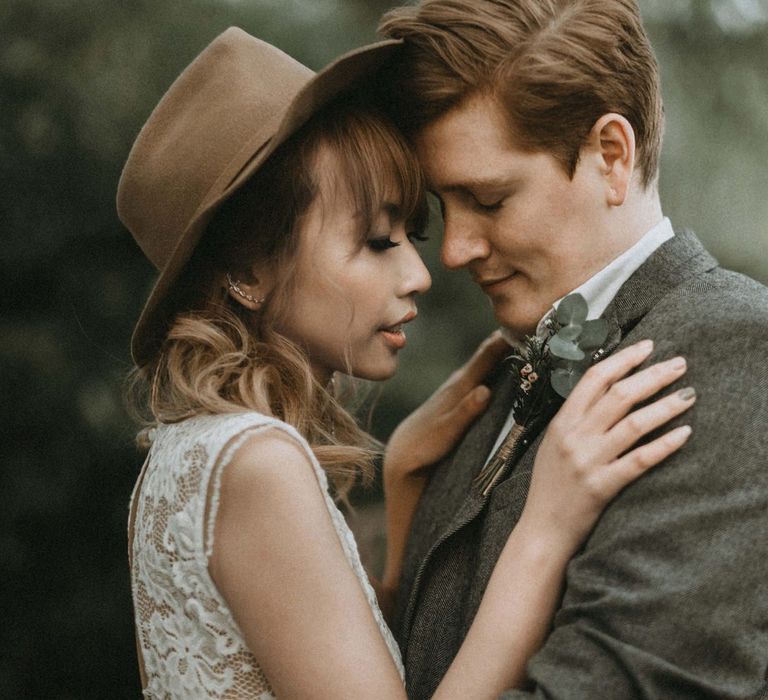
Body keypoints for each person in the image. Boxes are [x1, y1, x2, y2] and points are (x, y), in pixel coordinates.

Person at [120, 28, 695, 699]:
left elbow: (328, 663)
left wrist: (399, 494)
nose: (423, 273)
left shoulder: (191, 452)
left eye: (410, 236)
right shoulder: (257, 466)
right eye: (376, 241)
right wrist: (546, 526)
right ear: (247, 272)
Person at [375, 1, 768, 698]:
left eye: (489, 201)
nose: (457, 249)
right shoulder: (499, 378)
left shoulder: (730, 345)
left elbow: (637, 680)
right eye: (446, 209)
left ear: (611, 156)